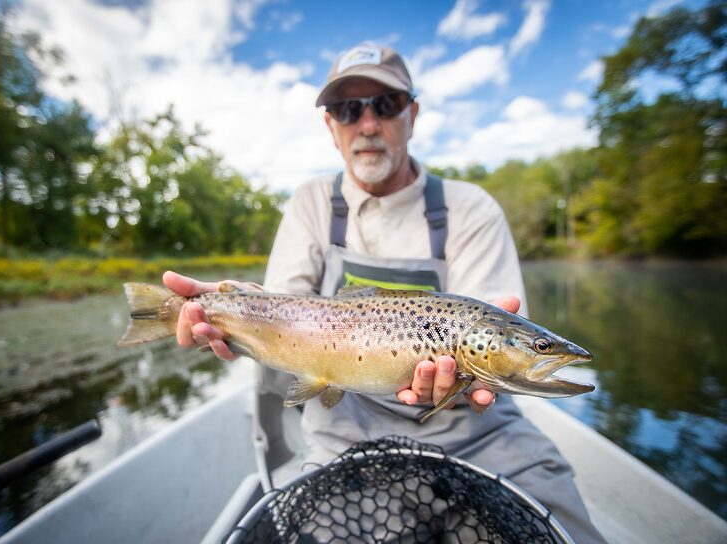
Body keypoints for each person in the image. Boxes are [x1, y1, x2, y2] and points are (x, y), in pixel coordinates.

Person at [163, 44, 605, 543]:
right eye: (348, 110)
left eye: (386, 104)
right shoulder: (311, 203)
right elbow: (285, 316)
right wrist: (231, 310)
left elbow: (487, 371)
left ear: (412, 115)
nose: (367, 123)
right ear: (331, 126)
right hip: (345, 428)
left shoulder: (470, 208)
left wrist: (497, 367)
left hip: (480, 430)